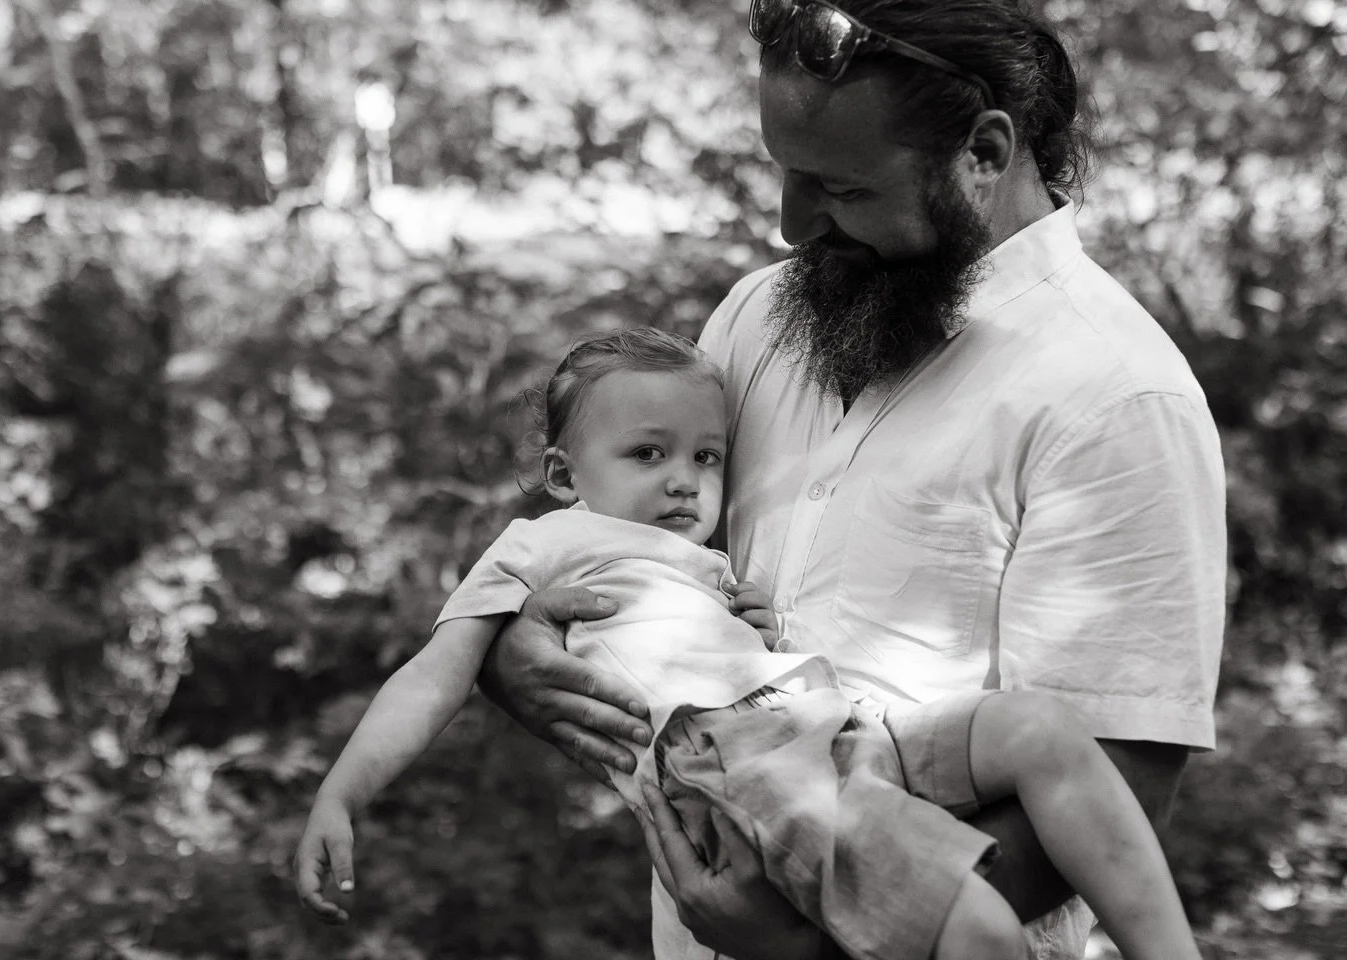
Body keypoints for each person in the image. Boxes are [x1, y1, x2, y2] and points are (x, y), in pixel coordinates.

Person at [474, 2, 1228, 959]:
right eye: (784, 172)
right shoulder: (758, 316)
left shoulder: (1117, 396)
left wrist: (802, 944)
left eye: (838, 186)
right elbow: (637, 547)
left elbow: (1116, 779)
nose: (791, 225)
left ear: (984, 153)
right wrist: (510, 649)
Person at [296, 329, 1202, 960]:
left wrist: (748, 630)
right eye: (647, 456)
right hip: (742, 770)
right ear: (566, 475)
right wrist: (344, 791)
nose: (686, 480)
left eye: (706, 456)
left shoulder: (705, 563)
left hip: (829, 725)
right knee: (979, 934)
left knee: (1038, 729)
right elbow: (434, 676)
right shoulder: (538, 545)